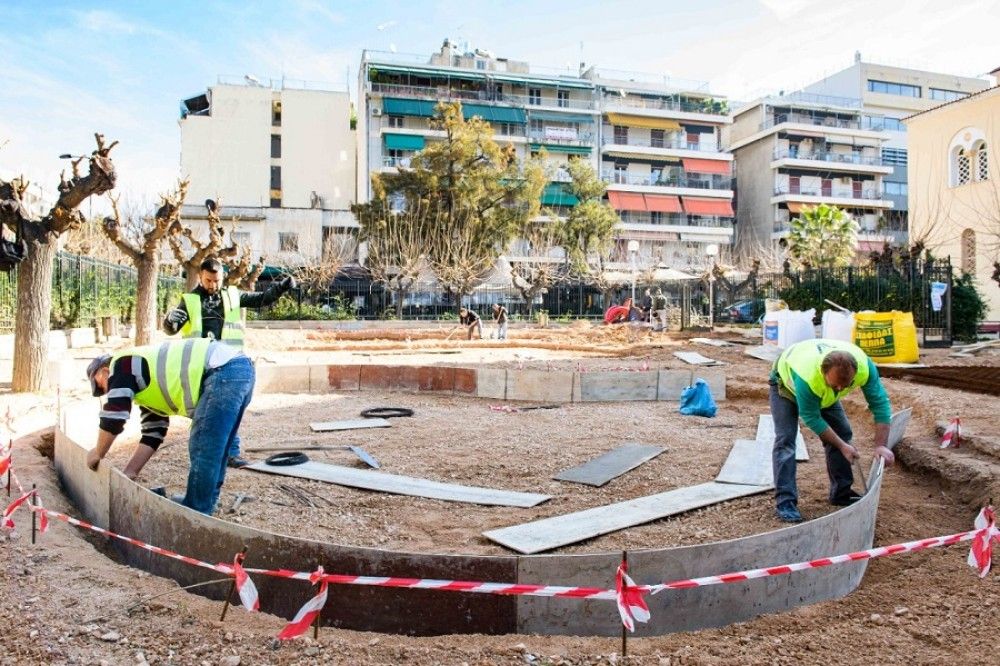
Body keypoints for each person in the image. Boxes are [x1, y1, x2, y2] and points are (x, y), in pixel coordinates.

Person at [85, 339, 255, 516]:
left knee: (204, 446)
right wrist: (130, 473)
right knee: (215, 448)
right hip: (236, 371)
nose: (105, 392)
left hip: (223, 370)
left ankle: (196, 512)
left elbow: (114, 417)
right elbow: (153, 433)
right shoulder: (144, 388)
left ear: (104, 371)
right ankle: (202, 504)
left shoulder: (121, 365)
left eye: (101, 386)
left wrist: (98, 452)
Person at [163, 257, 293, 468]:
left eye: (217, 280)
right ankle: (203, 455)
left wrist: (280, 287)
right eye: (208, 281)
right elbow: (172, 329)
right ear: (200, 277)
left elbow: (261, 299)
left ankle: (231, 453)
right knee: (201, 412)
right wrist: (169, 321)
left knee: (229, 410)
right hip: (199, 366)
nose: (213, 285)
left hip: (228, 362)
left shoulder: (232, 295)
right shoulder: (189, 300)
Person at [770, 339, 895, 523]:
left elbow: (880, 404)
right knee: (786, 441)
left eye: (845, 386)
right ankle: (785, 502)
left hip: (821, 389)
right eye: (835, 384)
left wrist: (881, 446)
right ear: (823, 372)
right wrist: (842, 446)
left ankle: (841, 494)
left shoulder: (864, 368)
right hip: (785, 385)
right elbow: (811, 417)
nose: (839, 390)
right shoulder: (808, 377)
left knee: (843, 433)